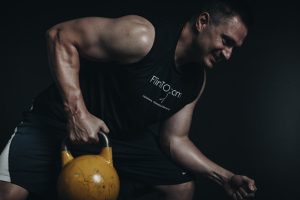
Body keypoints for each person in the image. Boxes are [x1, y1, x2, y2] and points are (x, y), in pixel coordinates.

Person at [0, 0, 257, 199]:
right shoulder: (141, 36)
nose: (228, 54)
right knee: (9, 195)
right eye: (226, 41)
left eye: (234, 48)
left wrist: (225, 178)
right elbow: (59, 36)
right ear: (203, 22)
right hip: (57, 120)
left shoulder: (195, 81)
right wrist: (77, 115)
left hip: (117, 138)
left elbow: (174, 140)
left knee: (180, 189)